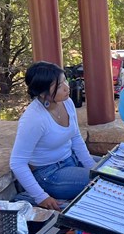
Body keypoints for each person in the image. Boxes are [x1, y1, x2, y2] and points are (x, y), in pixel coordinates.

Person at [10, 61, 98, 211]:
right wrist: (41, 196)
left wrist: (93, 167)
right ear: (42, 93)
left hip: (72, 159)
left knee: (114, 171)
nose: (66, 88)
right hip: (49, 174)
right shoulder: (34, 119)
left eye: (64, 81)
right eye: (58, 86)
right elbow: (17, 162)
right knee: (105, 182)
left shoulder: (67, 102)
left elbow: (76, 138)